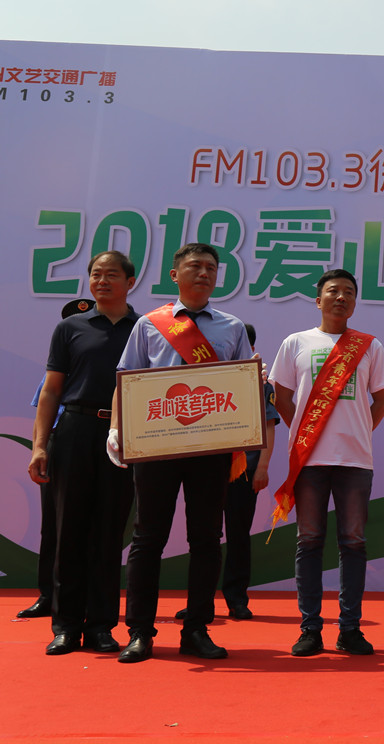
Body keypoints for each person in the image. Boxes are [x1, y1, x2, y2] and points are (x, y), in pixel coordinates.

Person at [109, 243, 254, 663]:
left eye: (211, 267)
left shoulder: (232, 328)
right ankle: (140, 631)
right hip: (157, 446)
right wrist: (117, 428)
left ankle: (196, 628)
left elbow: (243, 387)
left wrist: (253, 382)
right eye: (195, 266)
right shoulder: (150, 324)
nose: (204, 273)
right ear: (175, 274)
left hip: (210, 448)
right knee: (148, 537)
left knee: (206, 538)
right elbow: (126, 380)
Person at [270, 269, 384, 656]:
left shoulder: (369, 346)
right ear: (318, 299)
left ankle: (350, 629)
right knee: (308, 541)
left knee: (353, 543)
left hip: (355, 461)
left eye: (349, 293)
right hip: (309, 460)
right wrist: (305, 432)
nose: (341, 297)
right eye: (333, 291)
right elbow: (281, 397)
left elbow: (383, 400)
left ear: (355, 302)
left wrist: (357, 431)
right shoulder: (296, 343)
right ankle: (310, 629)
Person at [28, 256, 137, 654]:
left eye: (111, 275)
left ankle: (102, 625)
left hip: (123, 436)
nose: (102, 281)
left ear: (130, 282)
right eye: (96, 274)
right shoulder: (70, 327)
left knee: (109, 533)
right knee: (68, 530)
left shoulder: (145, 329)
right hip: (74, 429)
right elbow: (51, 390)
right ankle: (66, 625)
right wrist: (40, 444)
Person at [176, 324, 280, 622]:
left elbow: (268, 427)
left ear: (249, 348)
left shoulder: (261, 384)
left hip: (244, 470)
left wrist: (262, 467)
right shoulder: (203, 381)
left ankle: (236, 600)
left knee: (238, 535)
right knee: (204, 536)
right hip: (205, 468)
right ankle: (200, 602)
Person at [19, 299, 97, 621]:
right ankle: (48, 595)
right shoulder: (56, 369)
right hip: (58, 444)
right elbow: (43, 409)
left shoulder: (104, 363)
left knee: (94, 525)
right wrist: (39, 449)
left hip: (95, 442)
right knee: (53, 525)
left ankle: (90, 599)